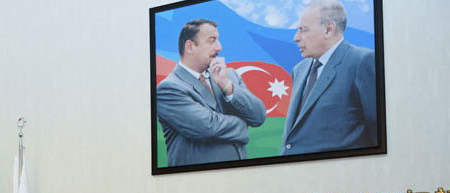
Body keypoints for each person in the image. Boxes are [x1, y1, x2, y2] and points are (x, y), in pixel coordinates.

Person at [157, 19, 266, 167]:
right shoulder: (169, 88)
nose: (219, 47)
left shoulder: (229, 76)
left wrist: (226, 86)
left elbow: (258, 116)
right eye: (212, 40)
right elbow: (206, 127)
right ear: (190, 46)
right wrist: (242, 124)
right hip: (198, 179)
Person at [281, 0, 377, 155]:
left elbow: (378, 133)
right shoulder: (299, 70)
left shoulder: (361, 62)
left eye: (303, 30)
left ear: (328, 29)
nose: (296, 38)